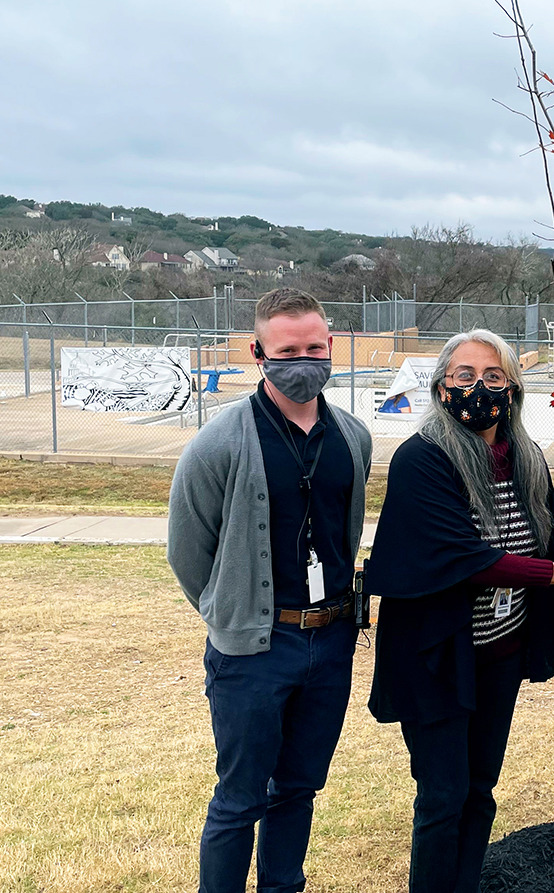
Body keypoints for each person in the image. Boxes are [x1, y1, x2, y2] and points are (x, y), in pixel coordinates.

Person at [364, 328, 554, 893]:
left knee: (481, 785)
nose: (479, 388)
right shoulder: (424, 459)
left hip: (500, 652)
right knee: (442, 794)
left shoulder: (524, 456)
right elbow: (465, 558)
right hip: (438, 653)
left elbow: (539, 533)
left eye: (493, 376)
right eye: (464, 376)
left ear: (512, 390)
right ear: (441, 390)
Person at [167, 288, 373, 893]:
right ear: (259, 353)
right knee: (239, 797)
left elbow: (347, 532)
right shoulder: (220, 442)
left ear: (331, 347)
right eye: (288, 351)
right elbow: (188, 550)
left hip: (330, 641)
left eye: (315, 347)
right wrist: (230, 614)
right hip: (254, 650)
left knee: (299, 788)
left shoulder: (353, 437)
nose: (303, 360)